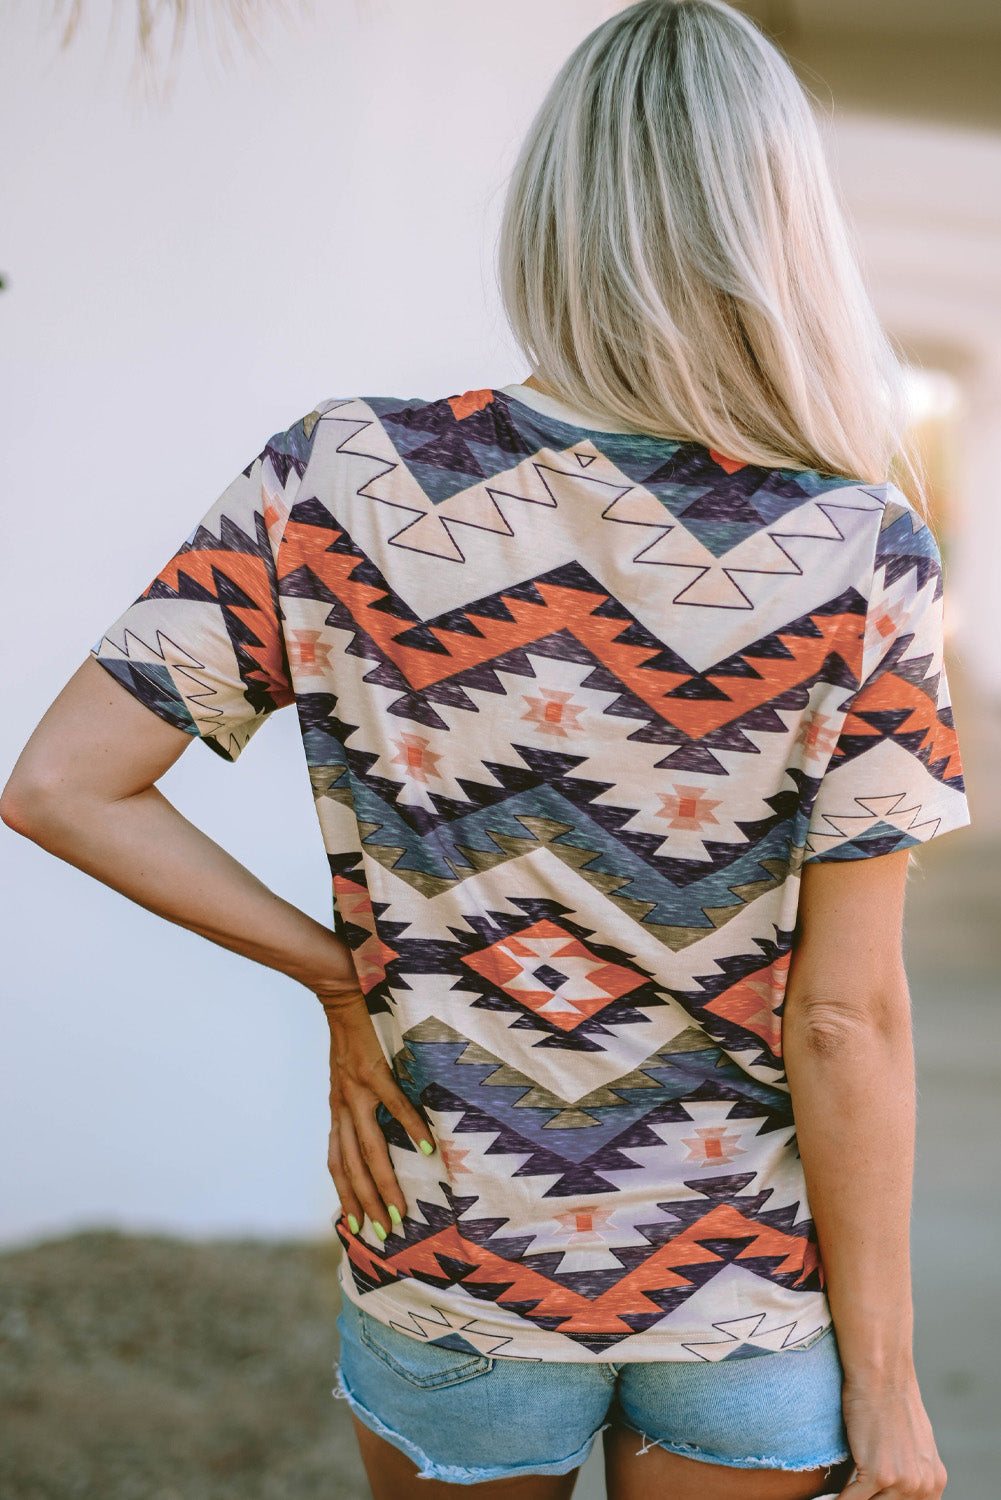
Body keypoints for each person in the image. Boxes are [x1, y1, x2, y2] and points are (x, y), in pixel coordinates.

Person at [0, 1, 972, 1496]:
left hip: (458, 1258)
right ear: (776, 223)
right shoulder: (860, 558)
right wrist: (890, 1394)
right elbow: (848, 1024)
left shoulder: (338, 477)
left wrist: (345, 976)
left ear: (554, 208)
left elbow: (64, 785)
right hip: (739, 1287)